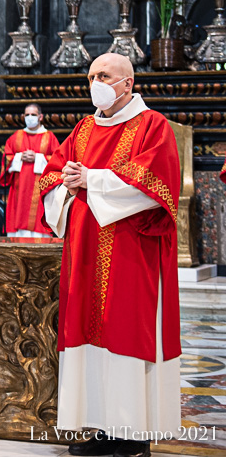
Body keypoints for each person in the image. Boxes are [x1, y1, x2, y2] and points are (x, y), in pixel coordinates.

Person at [39, 53, 181, 457]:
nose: (95, 82)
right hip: (84, 254)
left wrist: (92, 179)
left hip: (132, 253)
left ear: (128, 83)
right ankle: (102, 429)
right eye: (90, 76)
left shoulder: (152, 125)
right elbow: (53, 170)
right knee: (89, 339)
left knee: (127, 337)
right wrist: (65, 182)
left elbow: (156, 180)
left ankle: (135, 437)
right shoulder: (83, 128)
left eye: (104, 75)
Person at [0, 103, 60, 238]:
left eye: (33, 114)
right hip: (18, 190)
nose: (30, 117)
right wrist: (19, 157)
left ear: (40, 117)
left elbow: (58, 161)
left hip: (40, 190)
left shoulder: (49, 137)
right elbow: (6, 157)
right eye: (27, 115)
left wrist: (37, 158)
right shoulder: (16, 136)